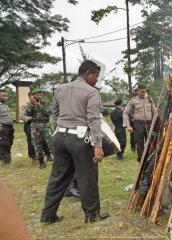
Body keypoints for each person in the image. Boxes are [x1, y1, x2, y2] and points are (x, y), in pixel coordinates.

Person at [41, 60, 109, 223]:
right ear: (88, 74)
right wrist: (97, 146)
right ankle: (92, 215)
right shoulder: (91, 92)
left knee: (57, 177)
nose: (97, 80)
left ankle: (48, 215)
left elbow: (55, 114)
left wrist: (62, 128)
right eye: (96, 76)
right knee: (87, 177)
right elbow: (93, 119)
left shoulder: (60, 89)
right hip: (79, 140)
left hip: (60, 138)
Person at [123, 84, 155, 162]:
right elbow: (125, 113)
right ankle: (141, 160)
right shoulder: (133, 100)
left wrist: (156, 123)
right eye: (141, 92)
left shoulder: (150, 99)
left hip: (149, 124)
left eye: (145, 92)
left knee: (151, 142)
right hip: (138, 125)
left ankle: (150, 159)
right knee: (140, 144)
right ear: (137, 91)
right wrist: (128, 126)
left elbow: (154, 112)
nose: (143, 94)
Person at [24, 88, 53, 169]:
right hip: (35, 126)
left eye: (40, 95)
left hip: (45, 125)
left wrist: (39, 105)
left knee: (51, 143)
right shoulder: (30, 104)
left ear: (42, 95)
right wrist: (33, 104)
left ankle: (55, 159)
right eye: (36, 95)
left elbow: (48, 113)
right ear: (33, 96)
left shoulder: (46, 103)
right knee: (37, 144)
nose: (38, 97)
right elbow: (27, 113)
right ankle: (41, 162)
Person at [0, 89, 15, 165]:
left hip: (10, 128)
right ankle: (6, 161)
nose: (6, 97)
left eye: (6, 96)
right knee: (4, 144)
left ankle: (7, 160)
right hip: (3, 128)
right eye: (4, 96)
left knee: (9, 143)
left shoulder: (5, 105)